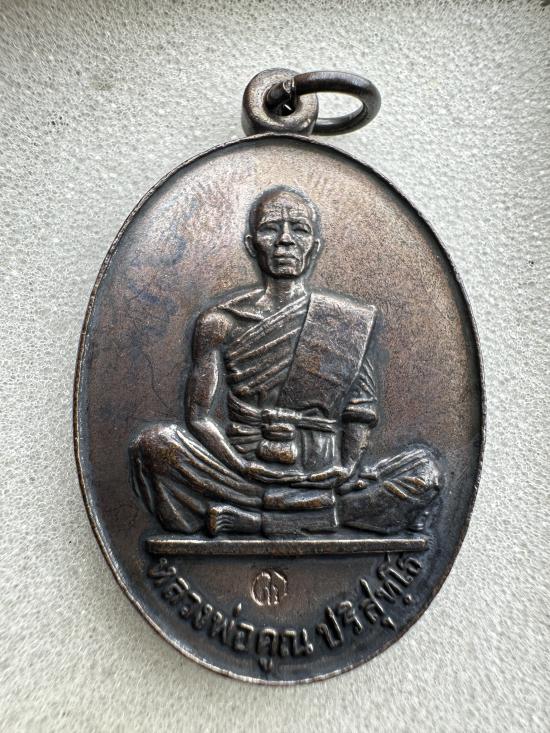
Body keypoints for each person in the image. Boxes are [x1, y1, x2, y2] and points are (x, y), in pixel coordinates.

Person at [130, 186, 442, 536]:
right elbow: (199, 416)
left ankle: (257, 520)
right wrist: (243, 466)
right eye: (270, 228)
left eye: (300, 229)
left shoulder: (345, 321)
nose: (285, 240)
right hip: (244, 473)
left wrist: (346, 468)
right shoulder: (220, 322)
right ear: (252, 245)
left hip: (322, 475)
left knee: (424, 471)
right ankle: (314, 514)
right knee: (154, 446)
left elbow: (360, 410)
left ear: (314, 247)